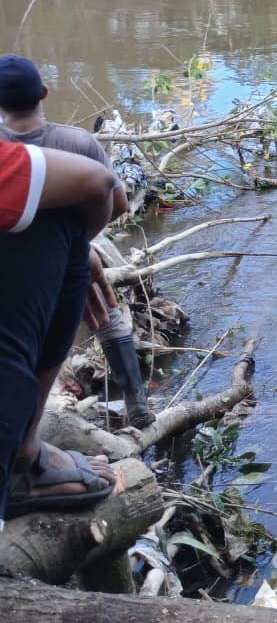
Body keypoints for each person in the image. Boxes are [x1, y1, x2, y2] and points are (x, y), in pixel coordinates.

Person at [0, 54, 156, 428]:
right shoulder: (77, 142)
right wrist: (81, 241)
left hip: (12, 266)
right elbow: (118, 203)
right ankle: (137, 403)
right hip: (72, 255)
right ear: (44, 92)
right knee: (104, 314)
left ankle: (26, 427)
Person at [1, 140, 123, 522]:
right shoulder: (79, 145)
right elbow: (103, 186)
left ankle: (21, 452)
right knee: (65, 224)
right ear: (42, 94)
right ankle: (21, 449)